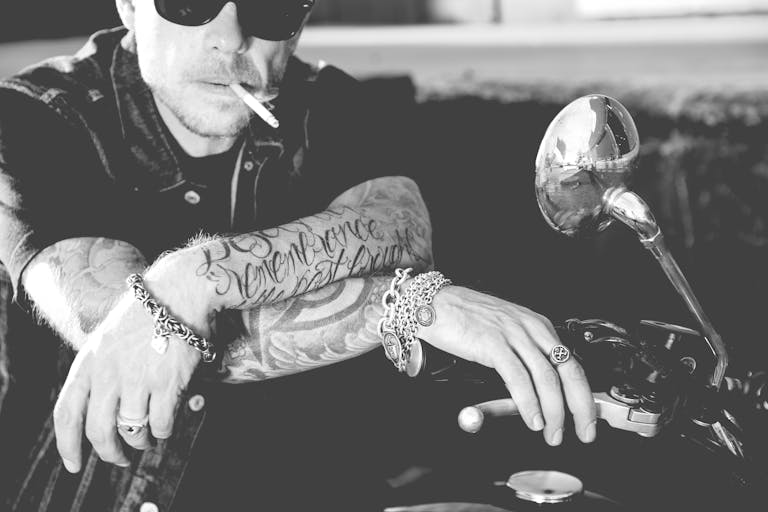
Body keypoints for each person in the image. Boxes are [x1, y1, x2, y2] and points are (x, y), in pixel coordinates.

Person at [0, 1, 597, 510]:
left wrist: (196, 278)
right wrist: (403, 307)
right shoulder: (35, 116)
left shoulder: (333, 106)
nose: (231, 38)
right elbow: (125, 326)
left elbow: (398, 229)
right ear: (130, 6)